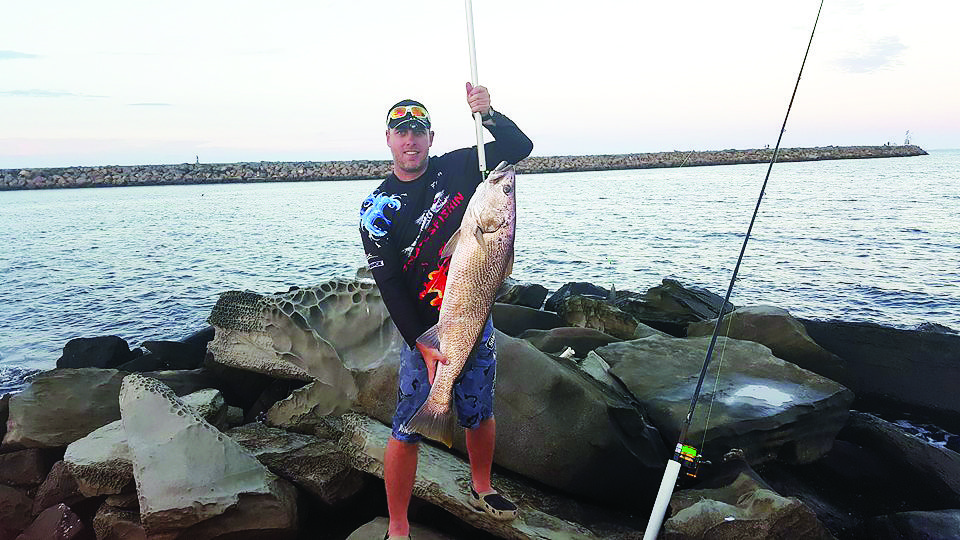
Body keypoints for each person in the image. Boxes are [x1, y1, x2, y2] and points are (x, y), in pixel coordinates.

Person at [359, 84, 533, 540]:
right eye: (402, 132)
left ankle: (482, 486)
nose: (410, 140)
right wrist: (420, 339)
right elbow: (389, 284)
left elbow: (519, 149)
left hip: (473, 317)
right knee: (406, 426)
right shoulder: (376, 208)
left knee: (479, 408)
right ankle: (398, 524)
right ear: (389, 140)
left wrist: (489, 113)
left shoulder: (459, 166)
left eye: (418, 131)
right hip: (423, 330)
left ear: (431, 138)